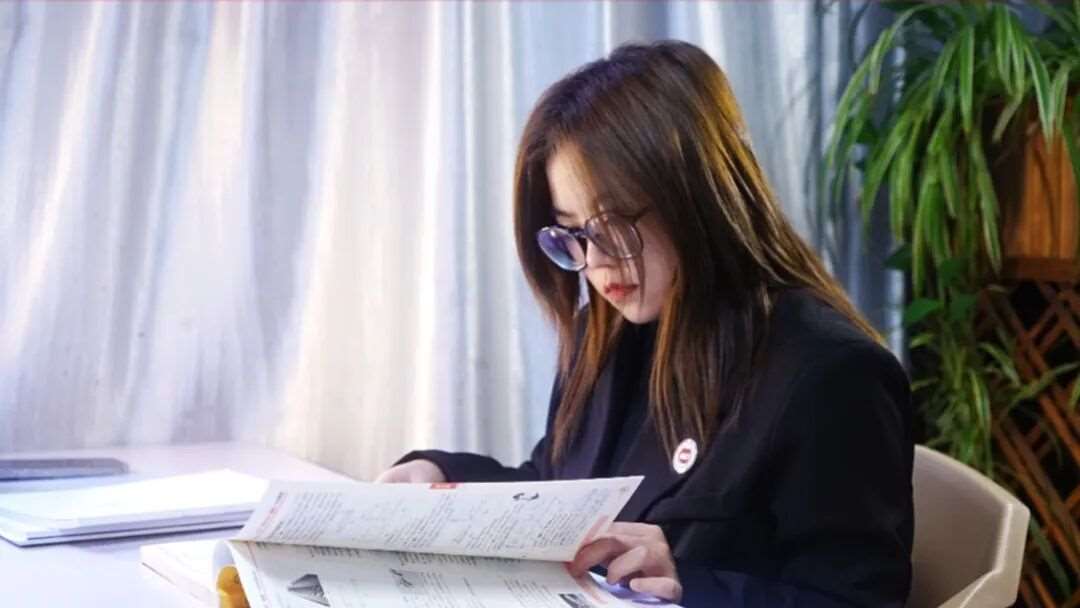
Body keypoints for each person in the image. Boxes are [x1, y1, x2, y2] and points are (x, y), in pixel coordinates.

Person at [377, 40, 913, 608]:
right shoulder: (609, 333)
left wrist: (689, 584)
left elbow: (854, 600)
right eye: (573, 233)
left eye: (611, 223)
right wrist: (443, 479)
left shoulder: (830, 373)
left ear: (697, 195)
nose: (595, 262)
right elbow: (557, 487)